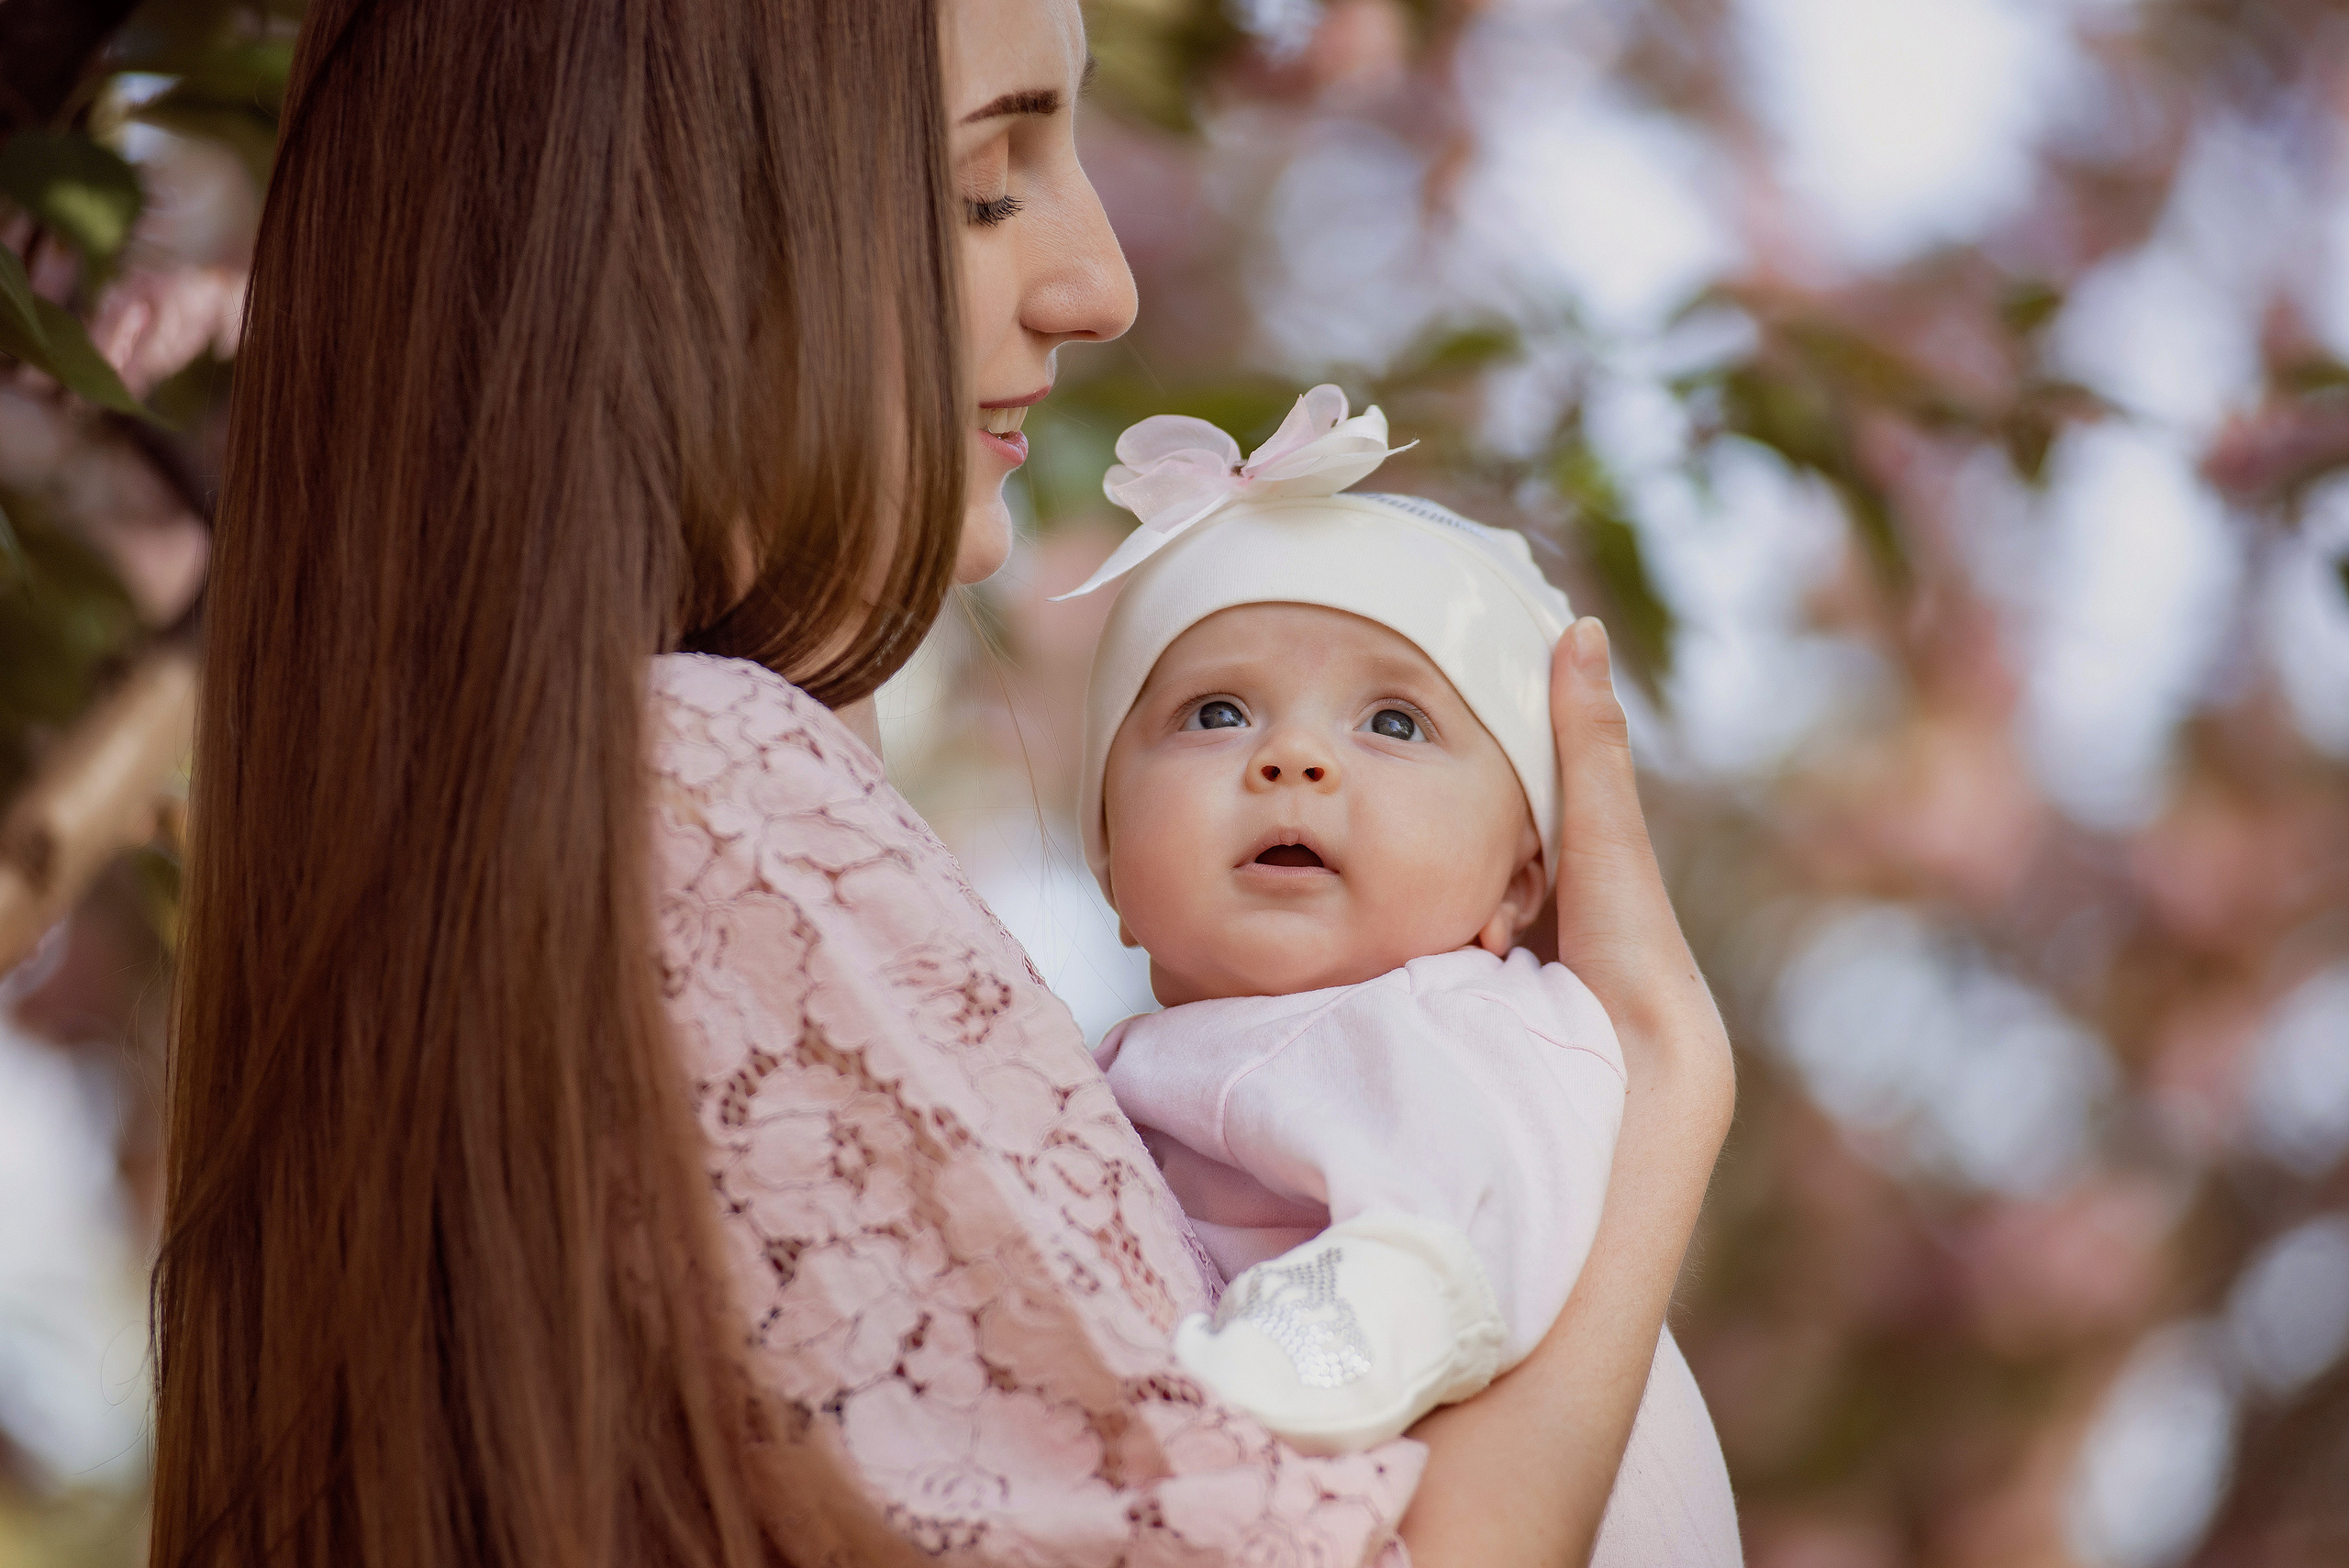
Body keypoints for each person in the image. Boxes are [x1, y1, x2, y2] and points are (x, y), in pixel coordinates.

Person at [150, 0, 1736, 1565]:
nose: (1099, 282)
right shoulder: (701, 786)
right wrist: (1661, 1096)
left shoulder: (535, 818)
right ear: (692, 233)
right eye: (988, 186)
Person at [1065, 389, 1740, 1562]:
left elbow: (1454, 1225)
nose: (1294, 757)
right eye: (1215, 710)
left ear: (1515, 888)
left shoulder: (1451, 1022)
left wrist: (1327, 1339)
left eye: (1394, 721)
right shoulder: (1140, 1064)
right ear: (1110, 859)